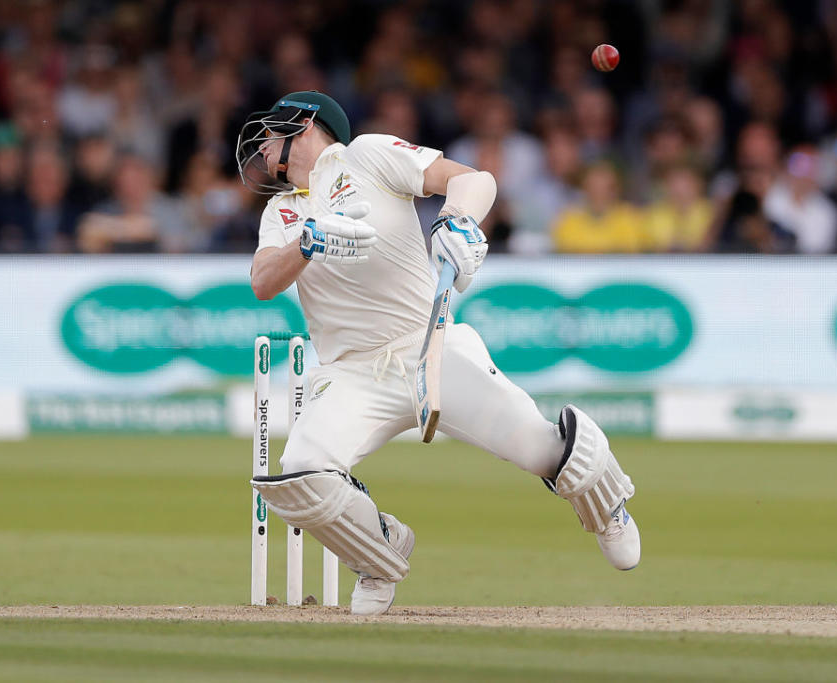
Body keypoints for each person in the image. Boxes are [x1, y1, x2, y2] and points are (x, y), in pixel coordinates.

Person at [238, 91, 640, 616]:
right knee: (300, 476)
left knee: (543, 451)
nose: (264, 147)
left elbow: (475, 180)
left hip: (427, 347)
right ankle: (379, 555)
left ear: (306, 124)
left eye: (273, 133)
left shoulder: (368, 154)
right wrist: (308, 241)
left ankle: (605, 501)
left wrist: (457, 221)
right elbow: (262, 282)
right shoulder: (282, 212)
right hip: (350, 373)